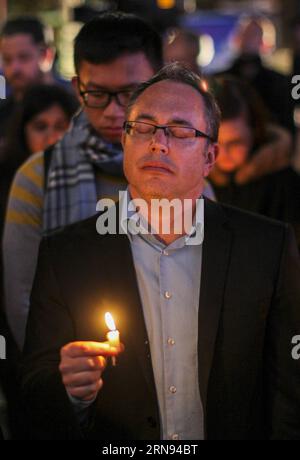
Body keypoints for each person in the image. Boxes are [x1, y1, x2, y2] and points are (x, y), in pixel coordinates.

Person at [22, 64, 300, 440]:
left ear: (210, 156)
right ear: (124, 141)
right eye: (144, 127)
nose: (158, 142)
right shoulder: (66, 255)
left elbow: (288, 391)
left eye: (181, 130)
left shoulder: (266, 248)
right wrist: (71, 390)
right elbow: (34, 389)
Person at [209, 76, 300, 247]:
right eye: (215, 142)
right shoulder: (195, 184)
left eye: (236, 143)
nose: (224, 153)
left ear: (255, 132)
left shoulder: (284, 185)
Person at [0, 83, 78, 237]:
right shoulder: (5, 178)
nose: (52, 139)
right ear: (23, 132)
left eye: (61, 127)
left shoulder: (86, 175)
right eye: (40, 127)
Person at [0, 16, 68, 146]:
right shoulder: (3, 113)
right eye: (7, 59)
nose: (15, 68)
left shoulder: (73, 106)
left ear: (46, 55)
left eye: (24, 57)